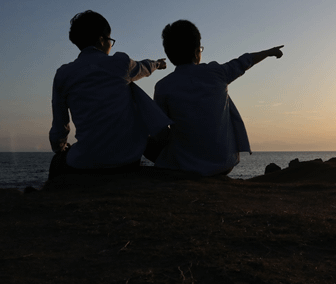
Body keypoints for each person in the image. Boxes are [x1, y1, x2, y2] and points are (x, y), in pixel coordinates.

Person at [152, 19, 284, 176]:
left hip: (184, 166)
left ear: (170, 54)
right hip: (223, 164)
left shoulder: (163, 86)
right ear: (196, 52)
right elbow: (245, 61)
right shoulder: (217, 73)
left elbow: (159, 129)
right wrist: (269, 52)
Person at [48, 10, 169, 179]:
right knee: (131, 87)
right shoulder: (120, 63)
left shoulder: (63, 74)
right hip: (127, 160)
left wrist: (60, 147)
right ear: (101, 40)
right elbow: (144, 67)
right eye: (111, 41)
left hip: (85, 161)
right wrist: (158, 64)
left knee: (56, 162)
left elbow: (60, 126)